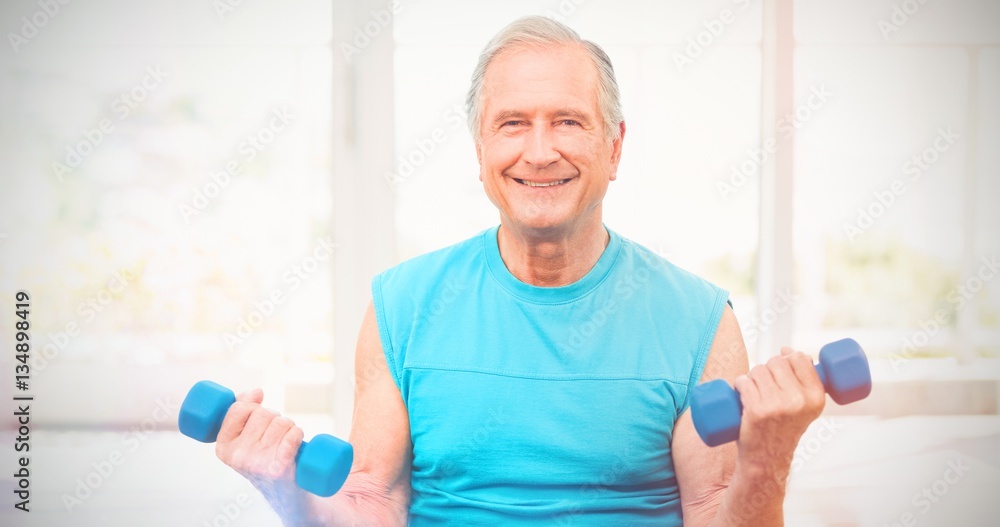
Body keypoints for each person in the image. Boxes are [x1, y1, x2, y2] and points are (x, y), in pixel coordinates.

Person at [213, 15, 826, 526]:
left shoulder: (700, 321)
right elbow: (371, 502)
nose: (538, 151)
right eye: (512, 124)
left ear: (613, 147)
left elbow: (715, 511)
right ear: (479, 152)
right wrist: (284, 492)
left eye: (567, 121)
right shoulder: (402, 305)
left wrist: (766, 460)